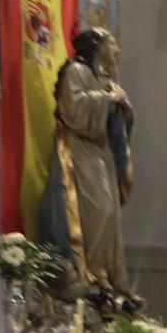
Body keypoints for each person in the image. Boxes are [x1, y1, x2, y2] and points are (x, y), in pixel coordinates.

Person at [35, 27, 135, 299]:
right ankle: (88, 271)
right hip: (78, 150)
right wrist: (108, 99)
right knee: (98, 209)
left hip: (100, 152)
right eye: (112, 43)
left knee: (110, 212)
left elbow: (119, 120)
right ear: (96, 45)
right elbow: (74, 109)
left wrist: (124, 109)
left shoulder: (103, 77)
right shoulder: (75, 71)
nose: (117, 49)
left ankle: (104, 274)